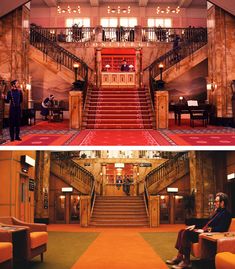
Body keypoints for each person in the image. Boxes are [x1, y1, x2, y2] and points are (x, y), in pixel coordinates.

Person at [166, 192, 232, 269]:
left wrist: (205, 231)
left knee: (187, 233)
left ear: (222, 203)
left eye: (216, 201)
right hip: (203, 232)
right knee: (182, 231)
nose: (214, 203)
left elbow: (221, 228)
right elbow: (207, 222)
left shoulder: (226, 214)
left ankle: (186, 262)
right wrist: (195, 226)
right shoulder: (217, 212)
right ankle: (180, 256)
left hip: (208, 235)